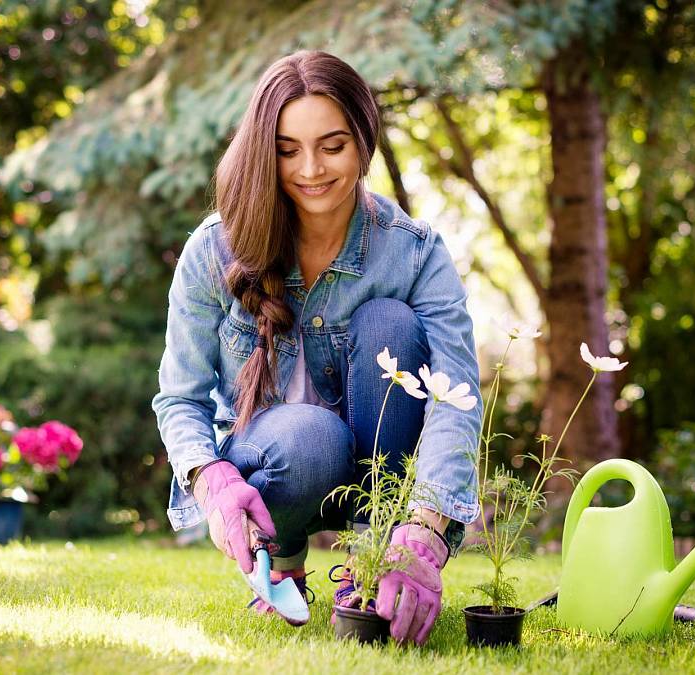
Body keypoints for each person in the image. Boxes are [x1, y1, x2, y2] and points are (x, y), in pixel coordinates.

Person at [151, 50, 481, 646]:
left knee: (390, 324)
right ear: (263, 151)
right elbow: (179, 397)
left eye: (332, 146)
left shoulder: (414, 252)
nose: (311, 168)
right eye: (286, 149)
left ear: (363, 141)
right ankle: (283, 566)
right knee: (311, 435)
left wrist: (427, 530)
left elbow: (456, 396)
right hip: (279, 463)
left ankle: (374, 561)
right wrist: (211, 481)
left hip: (384, 480)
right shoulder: (213, 251)